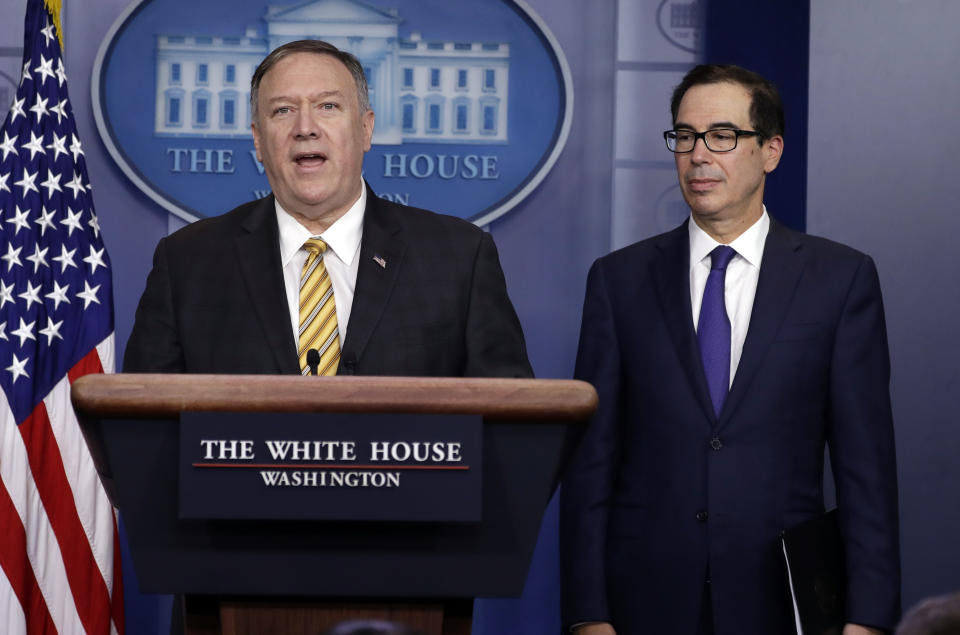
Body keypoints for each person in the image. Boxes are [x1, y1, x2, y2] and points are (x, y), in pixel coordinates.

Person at [560, 64, 899, 635]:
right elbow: (591, 464)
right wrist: (588, 615)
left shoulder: (838, 279)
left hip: (782, 599)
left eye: (722, 136)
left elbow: (866, 469)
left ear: (771, 150)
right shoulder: (619, 281)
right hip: (645, 600)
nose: (698, 155)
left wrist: (867, 620)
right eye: (685, 136)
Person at [124, 39, 531, 379]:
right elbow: (143, 431)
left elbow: (510, 427)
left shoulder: (459, 258)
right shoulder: (187, 263)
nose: (305, 127)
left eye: (328, 107)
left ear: (366, 129)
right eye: (283, 110)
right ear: (258, 142)